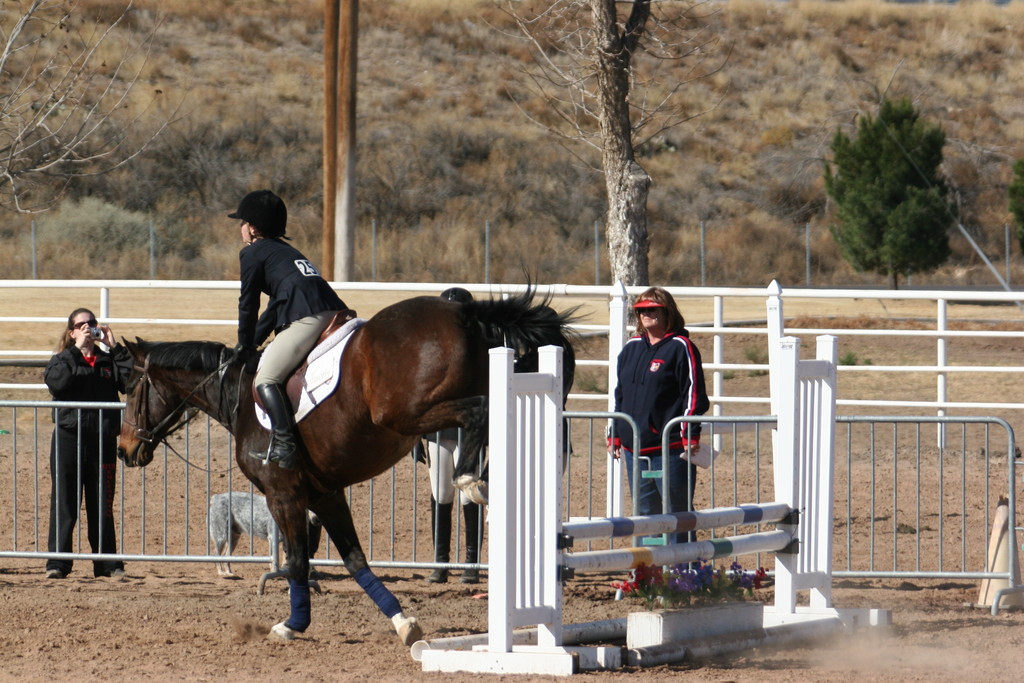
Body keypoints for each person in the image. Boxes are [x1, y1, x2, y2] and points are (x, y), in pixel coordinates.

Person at [230, 189, 349, 470]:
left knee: (265, 379)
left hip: (308, 316)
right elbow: (273, 308)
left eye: (242, 222)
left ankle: (285, 444)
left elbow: (248, 305)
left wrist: (244, 345)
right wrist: (252, 344)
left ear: (253, 228)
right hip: (333, 309)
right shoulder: (285, 251)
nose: (240, 227)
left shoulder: (252, 253)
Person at [609, 287, 709, 545]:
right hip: (635, 450)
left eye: (653, 309)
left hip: (671, 449)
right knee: (645, 515)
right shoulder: (631, 348)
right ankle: (650, 574)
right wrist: (616, 434)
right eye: (641, 310)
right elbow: (620, 394)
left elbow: (694, 393)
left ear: (668, 312)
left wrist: (689, 434)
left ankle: (682, 575)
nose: (646, 314)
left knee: (676, 513)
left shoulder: (681, 347)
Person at [44, 308, 133, 579]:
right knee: (65, 503)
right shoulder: (62, 359)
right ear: (72, 333)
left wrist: (115, 347)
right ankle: (58, 564)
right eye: (81, 325)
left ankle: (107, 564)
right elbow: (56, 384)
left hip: (102, 440)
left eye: (91, 324)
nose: (87, 328)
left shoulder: (108, 361)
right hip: (68, 439)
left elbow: (130, 382)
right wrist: (76, 352)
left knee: (102, 504)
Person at [421, 287, 482, 584]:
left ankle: (471, 562)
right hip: (438, 429)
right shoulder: (432, 348)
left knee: (469, 495)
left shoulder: (480, 346)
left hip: (469, 431)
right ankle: (440, 561)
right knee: (440, 494)